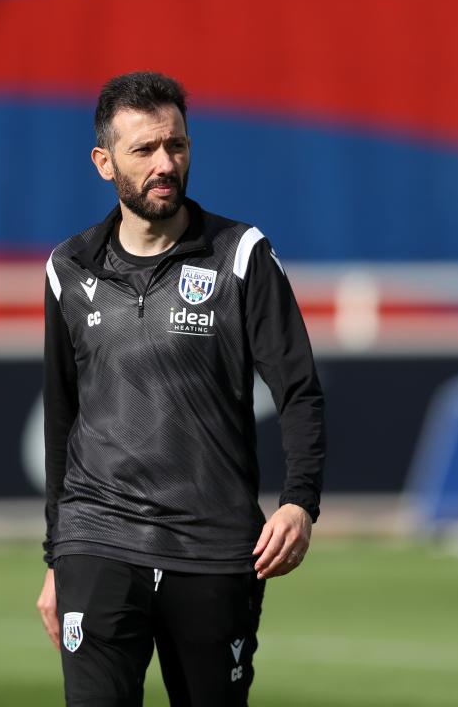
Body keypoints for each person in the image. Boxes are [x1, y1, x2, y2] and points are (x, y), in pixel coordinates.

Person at [35, 71, 326, 706]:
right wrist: (57, 556)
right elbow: (63, 416)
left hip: (214, 548)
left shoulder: (240, 255)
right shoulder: (69, 268)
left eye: (176, 145)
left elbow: (299, 389)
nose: (164, 164)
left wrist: (299, 502)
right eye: (144, 150)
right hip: (98, 538)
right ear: (104, 162)